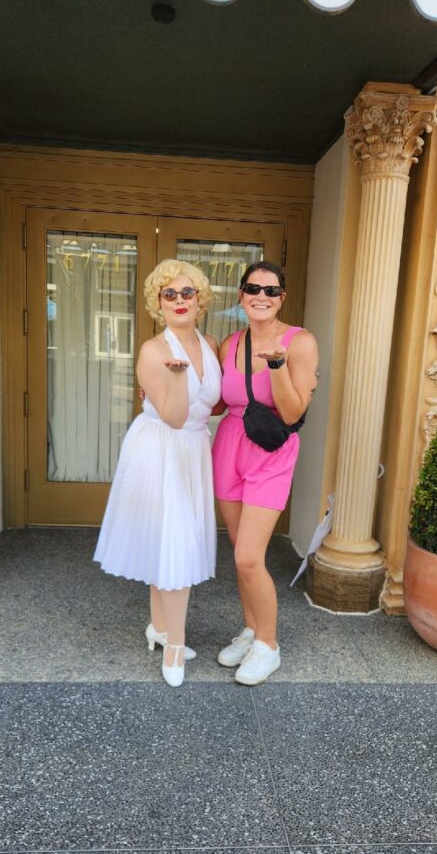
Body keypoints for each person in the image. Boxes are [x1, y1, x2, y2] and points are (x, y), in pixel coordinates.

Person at [94, 259, 221, 688]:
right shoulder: (154, 351)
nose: (180, 301)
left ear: (200, 301)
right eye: (170, 294)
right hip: (161, 448)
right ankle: (173, 645)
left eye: (188, 293)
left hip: (194, 450)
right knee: (176, 545)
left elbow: (213, 405)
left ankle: (159, 627)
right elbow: (172, 416)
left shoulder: (212, 343)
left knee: (170, 541)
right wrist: (179, 378)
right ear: (158, 304)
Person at [212, 261, 319, 685]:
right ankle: (252, 629)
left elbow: (294, 411)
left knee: (248, 556)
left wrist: (276, 366)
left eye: (270, 291)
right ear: (240, 296)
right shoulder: (230, 343)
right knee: (241, 552)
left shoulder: (300, 341)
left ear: (282, 298)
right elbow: (220, 402)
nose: (261, 296)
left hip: (271, 452)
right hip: (229, 447)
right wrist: (167, 390)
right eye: (253, 289)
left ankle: (269, 646)